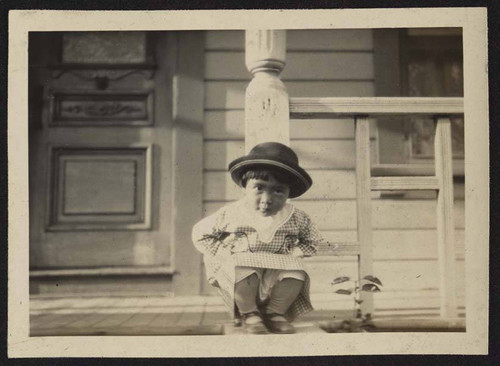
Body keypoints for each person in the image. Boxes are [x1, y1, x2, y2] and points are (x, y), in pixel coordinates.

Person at [192, 142, 323, 334]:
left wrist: (295, 253)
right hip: (244, 275)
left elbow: (312, 240)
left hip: (276, 272)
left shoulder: (295, 216)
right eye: (259, 188)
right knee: (241, 266)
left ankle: (275, 313)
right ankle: (249, 313)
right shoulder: (232, 213)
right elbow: (201, 233)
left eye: (278, 191)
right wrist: (222, 254)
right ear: (244, 187)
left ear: (289, 193)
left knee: (298, 271)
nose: (267, 199)